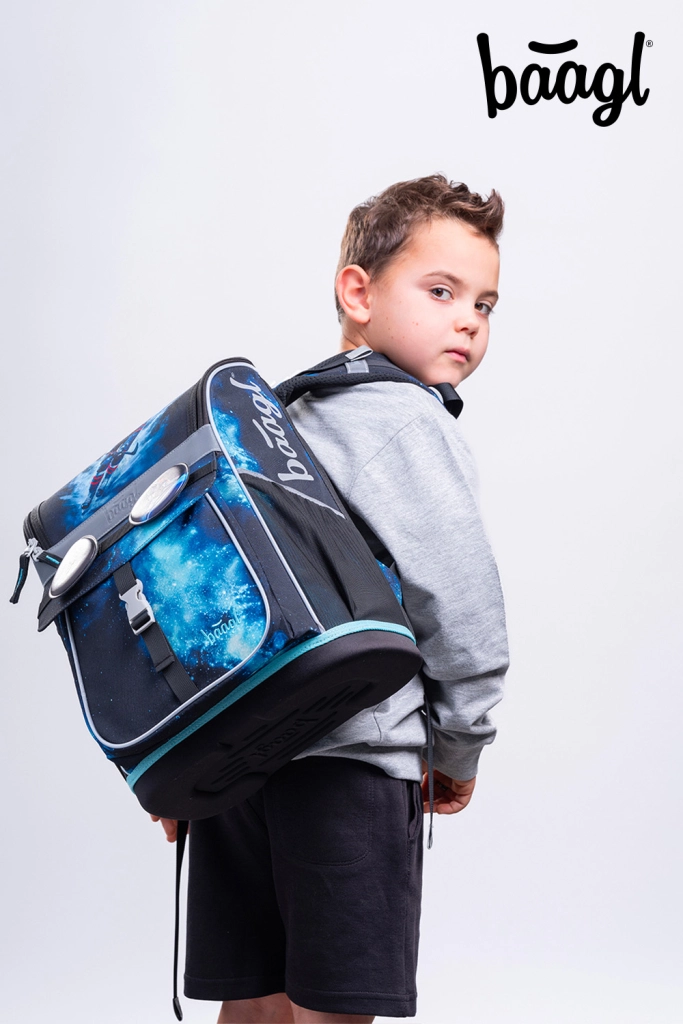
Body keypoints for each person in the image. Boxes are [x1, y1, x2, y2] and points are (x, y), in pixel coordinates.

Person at [152, 174, 509, 1023]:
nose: (468, 320)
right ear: (357, 292)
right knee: (334, 1009)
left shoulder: (278, 420)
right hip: (349, 766)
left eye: (485, 304)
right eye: (440, 291)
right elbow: (462, 613)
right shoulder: (407, 421)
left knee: (252, 1003)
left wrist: (184, 765)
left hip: (237, 761)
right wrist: (458, 748)